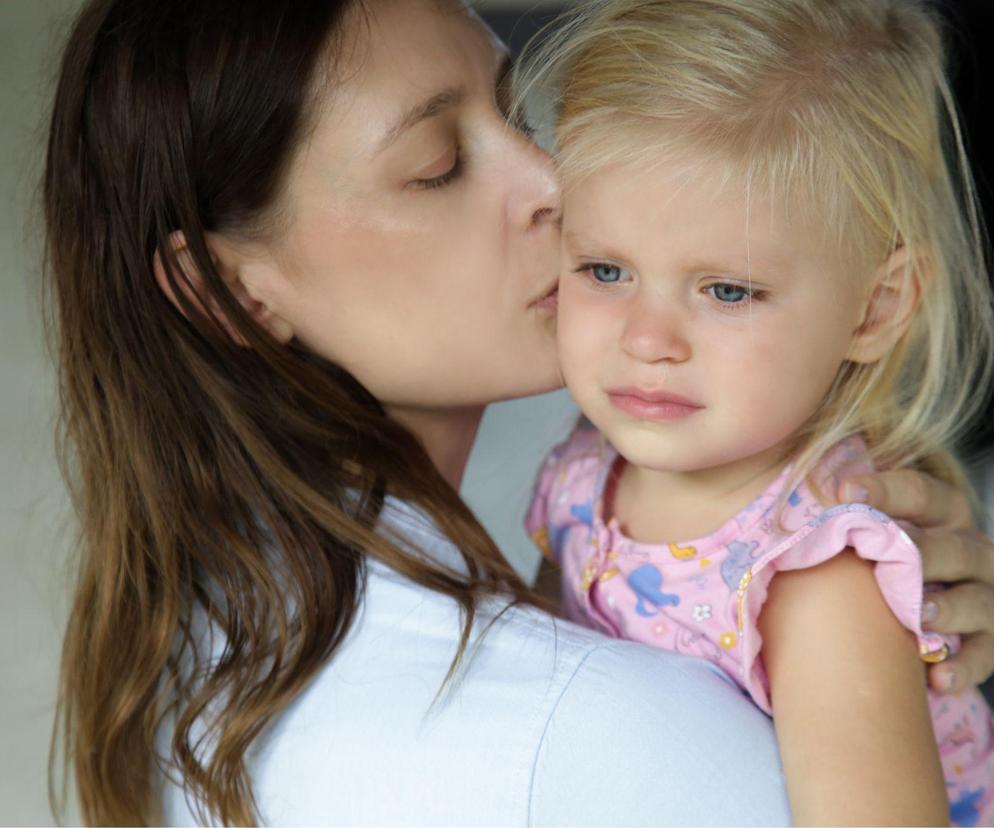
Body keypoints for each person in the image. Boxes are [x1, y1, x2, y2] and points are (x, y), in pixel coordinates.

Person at [40, 0, 994, 825]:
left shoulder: (204, 606)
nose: (554, 185)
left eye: (515, 109)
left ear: (878, 306)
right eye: (440, 163)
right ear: (235, 295)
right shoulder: (569, 715)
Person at [521, 0, 994, 824]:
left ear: (874, 309)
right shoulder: (590, 463)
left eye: (728, 290)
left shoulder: (817, 574)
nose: (646, 338)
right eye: (604, 269)